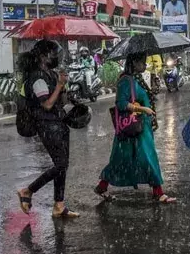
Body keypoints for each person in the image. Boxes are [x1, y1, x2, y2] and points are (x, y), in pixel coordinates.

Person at [94, 52, 176, 204]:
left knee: (130, 159)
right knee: (129, 160)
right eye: (142, 62)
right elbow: (121, 104)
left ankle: (157, 191)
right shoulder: (125, 81)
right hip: (131, 129)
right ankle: (158, 193)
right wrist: (143, 110)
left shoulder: (137, 79)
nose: (144, 65)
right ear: (133, 63)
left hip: (140, 128)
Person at [16, 40, 79, 218]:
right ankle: (27, 191)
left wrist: (62, 85)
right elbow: (47, 104)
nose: (56, 57)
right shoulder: (37, 77)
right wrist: (59, 85)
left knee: (63, 165)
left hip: (58, 123)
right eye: (53, 53)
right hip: (46, 125)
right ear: (43, 56)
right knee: (60, 164)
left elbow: (61, 101)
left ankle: (59, 205)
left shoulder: (50, 74)